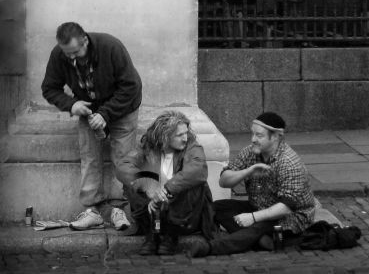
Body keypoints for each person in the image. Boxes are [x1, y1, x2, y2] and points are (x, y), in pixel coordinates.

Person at [41, 22, 142, 231]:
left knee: (124, 161)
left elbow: (131, 86)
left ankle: (123, 209)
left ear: (85, 40)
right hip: (89, 109)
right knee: (89, 158)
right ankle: (93, 211)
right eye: (67, 53)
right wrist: (72, 104)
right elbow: (50, 88)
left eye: (75, 52)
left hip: (123, 109)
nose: (71, 58)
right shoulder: (60, 55)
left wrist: (105, 114)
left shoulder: (111, 47)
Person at [190, 112, 315, 257]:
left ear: (275, 137)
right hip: (259, 207)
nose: (253, 139)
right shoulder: (251, 152)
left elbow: (285, 208)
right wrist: (248, 171)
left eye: (259, 135)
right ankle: (260, 240)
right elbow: (223, 181)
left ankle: (210, 248)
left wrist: (252, 217)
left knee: (258, 227)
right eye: (253, 134)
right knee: (215, 207)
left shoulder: (289, 163)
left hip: (290, 217)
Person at [116, 110, 214, 256]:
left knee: (192, 183)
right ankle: (152, 234)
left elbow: (198, 169)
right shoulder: (147, 147)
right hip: (153, 212)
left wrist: (167, 189)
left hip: (183, 217)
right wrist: (149, 185)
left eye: (186, 133)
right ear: (165, 136)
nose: (185, 138)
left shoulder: (192, 146)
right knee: (132, 182)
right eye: (179, 135)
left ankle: (170, 235)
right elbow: (123, 167)